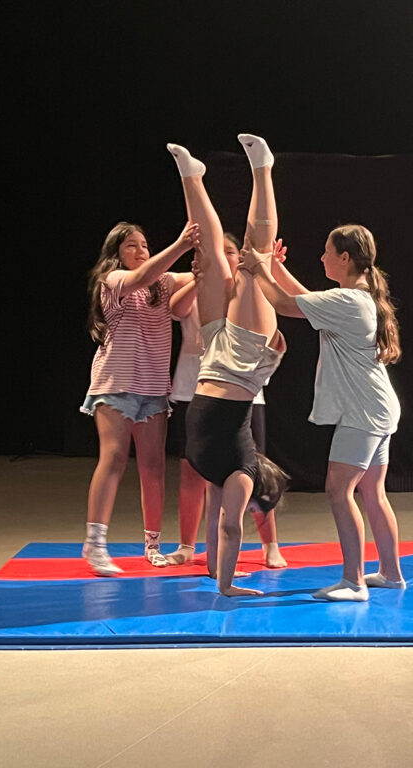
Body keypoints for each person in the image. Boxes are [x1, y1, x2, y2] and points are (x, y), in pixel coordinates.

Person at [239, 224, 405, 601]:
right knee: (372, 492)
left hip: (363, 413)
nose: (322, 257)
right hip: (377, 408)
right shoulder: (354, 298)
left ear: (344, 258)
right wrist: (273, 267)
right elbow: (304, 298)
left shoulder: (348, 301)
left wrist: (257, 267)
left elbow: (284, 305)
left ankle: (354, 582)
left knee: (338, 491)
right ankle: (391, 574)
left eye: (327, 252)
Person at [166, 134, 288, 597]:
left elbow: (219, 527)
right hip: (243, 357)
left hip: (215, 355)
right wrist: (229, 587)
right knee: (255, 258)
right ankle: (263, 169)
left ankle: (192, 178)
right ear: (259, 481)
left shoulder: (218, 472)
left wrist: (220, 579)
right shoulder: (240, 470)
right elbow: (233, 527)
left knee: (211, 257)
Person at [80, 220, 199, 576]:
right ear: (116, 252)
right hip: (115, 385)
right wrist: (181, 244)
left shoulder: (163, 282)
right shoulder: (113, 280)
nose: (141, 250)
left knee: (154, 467)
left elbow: (200, 275)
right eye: (131, 245)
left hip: (154, 388)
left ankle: (153, 545)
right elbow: (140, 277)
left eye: (145, 244)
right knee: (114, 458)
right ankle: (95, 544)